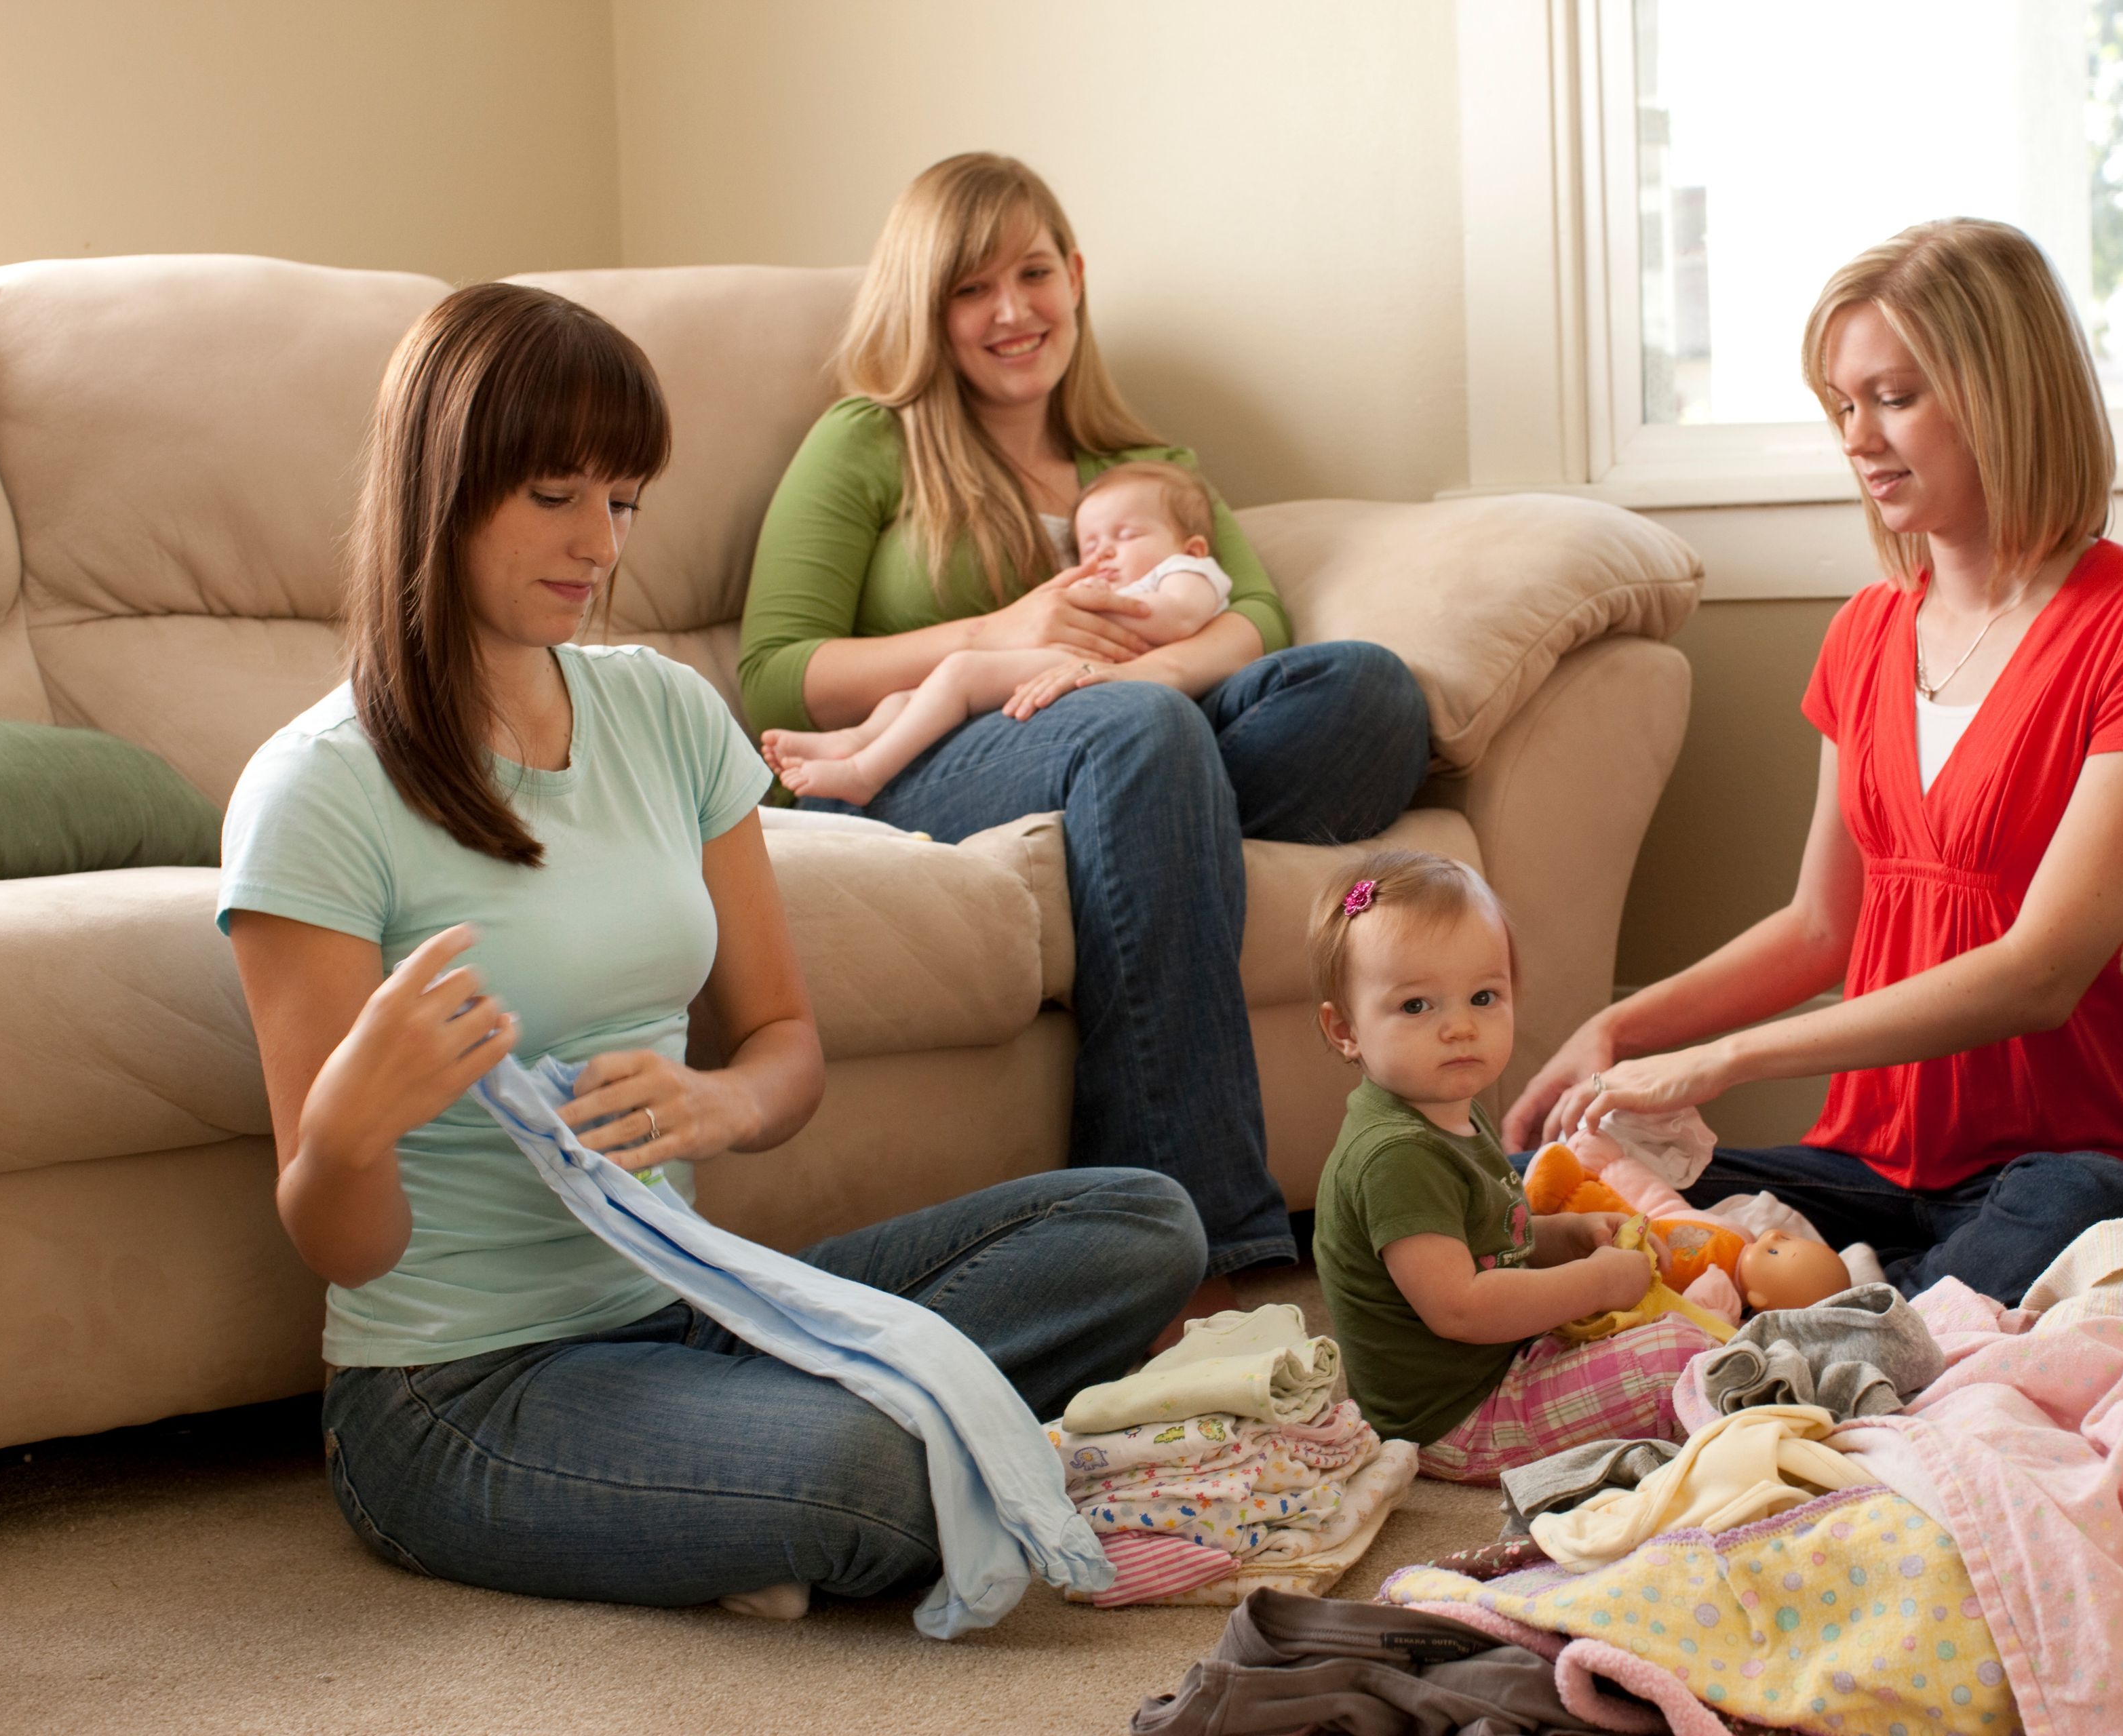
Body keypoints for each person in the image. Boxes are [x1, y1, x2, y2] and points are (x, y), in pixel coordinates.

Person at [220, 282, 1205, 1619]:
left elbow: (781, 1042)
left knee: (1143, 1220)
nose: (601, 544)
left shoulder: (668, 712)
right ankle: (788, 1464)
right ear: (443, 486)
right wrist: (344, 1134)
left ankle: (732, 1472)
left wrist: (723, 1099)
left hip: (698, 1299)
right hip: (461, 1389)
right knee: (873, 1471)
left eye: (622, 500)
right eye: (557, 495)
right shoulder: (318, 792)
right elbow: (346, 1246)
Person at [1506, 219, 2123, 1330]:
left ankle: (1798, 1328)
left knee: (2090, 1210)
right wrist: (1621, 1033)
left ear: (2006, 394)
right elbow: (1819, 929)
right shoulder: (1863, 633)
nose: (1859, 436)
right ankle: (1867, 1326)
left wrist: (1716, 1062)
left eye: (1894, 397)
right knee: (1550, 1190)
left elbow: (2039, 972)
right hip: (1876, 1176)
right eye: (1842, 405)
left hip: (2080, 1175)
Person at [737, 153, 1433, 1305]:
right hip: (924, 761)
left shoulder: (1146, 467)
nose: (1012, 311)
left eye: (1034, 272)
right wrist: (1012, 625)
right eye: (971, 288)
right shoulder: (871, 439)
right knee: (1144, 741)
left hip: (1136, 729)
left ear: (1078, 278)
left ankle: (1149, 804)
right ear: (926, 307)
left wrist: (1152, 671)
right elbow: (777, 676)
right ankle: (1197, 1249)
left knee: (1367, 693)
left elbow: (1256, 613)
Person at [1308, 851, 1718, 1484]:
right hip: (1455, 1422)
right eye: (1417, 1006)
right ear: (1345, 1031)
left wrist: (1565, 1238)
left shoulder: (1445, 1115)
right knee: (1679, 1355)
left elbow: (1484, 1242)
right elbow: (1462, 1308)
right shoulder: (1395, 1156)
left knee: (1673, 1317)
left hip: (1502, 1366)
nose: (1460, 1027)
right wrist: (1599, 1284)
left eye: (1483, 997)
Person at [758, 460, 1235, 805]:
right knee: (907, 696)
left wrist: (1097, 605)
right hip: (1069, 669)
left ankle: (866, 772)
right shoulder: (1125, 577)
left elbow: (1180, 617)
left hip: (1100, 672)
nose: (1105, 553)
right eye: (1091, 544)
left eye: (1126, 536)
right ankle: (857, 739)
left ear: (1191, 547)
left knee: (961, 672)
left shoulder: (1187, 571)